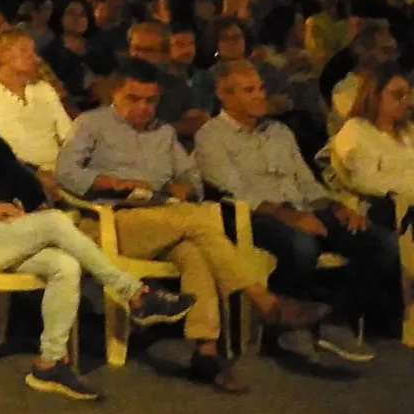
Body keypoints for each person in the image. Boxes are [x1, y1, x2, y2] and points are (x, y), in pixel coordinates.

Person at [0, 58, 193, 401]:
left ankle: (49, 364)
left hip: (5, 235)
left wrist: (31, 204)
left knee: (64, 265)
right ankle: (134, 293)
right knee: (55, 223)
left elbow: (22, 182)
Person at [57, 57, 318, 392]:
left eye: (150, 101)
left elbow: (191, 177)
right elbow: (64, 172)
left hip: (166, 216)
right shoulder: (91, 125)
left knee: (196, 248)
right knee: (204, 218)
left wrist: (185, 186)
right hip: (111, 218)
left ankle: (205, 351)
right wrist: (105, 182)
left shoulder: (163, 133)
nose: (142, 108)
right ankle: (262, 299)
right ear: (116, 95)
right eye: (133, 99)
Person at [196, 59, 400, 364]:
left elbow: (306, 183)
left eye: (261, 88)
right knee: (300, 246)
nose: (259, 95)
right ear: (225, 96)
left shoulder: (279, 132)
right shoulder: (211, 136)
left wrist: (335, 207)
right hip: (254, 216)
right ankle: (284, 329)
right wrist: (290, 216)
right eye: (249, 90)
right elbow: (237, 193)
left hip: (301, 208)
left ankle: (332, 318)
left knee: (380, 242)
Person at [0, 29, 75, 193]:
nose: (34, 57)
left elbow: (68, 136)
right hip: (18, 178)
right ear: (3, 55)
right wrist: (34, 174)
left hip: (62, 174)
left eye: (33, 50)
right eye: (24, 50)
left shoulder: (44, 89)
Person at [328, 66, 414, 206]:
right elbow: (365, 181)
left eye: (408, 95)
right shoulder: (356, 130)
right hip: (386, 207)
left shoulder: (409, 131)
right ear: (375, 95)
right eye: (398, 95)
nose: (407, 102)